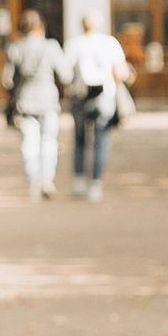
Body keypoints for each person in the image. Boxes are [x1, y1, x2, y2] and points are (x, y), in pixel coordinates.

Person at [66, 14, 134, 201]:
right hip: (104, 97)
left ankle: (79, 181)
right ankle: (95, 184)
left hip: (80, 97)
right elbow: (120, 71)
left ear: (82, 26)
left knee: (79, 139)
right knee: (101, 141)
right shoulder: (109, 43)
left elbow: (66, 72)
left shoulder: (74, 44)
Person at [1, 9, 68, 199]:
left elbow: (6, 80)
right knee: (49, 141)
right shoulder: (51, 47)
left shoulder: (15, 48)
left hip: (25, 102)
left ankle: (33, 181)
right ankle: (47, 179)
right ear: (40, 27)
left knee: (29, 143)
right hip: (48, 100)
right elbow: (65, 75)